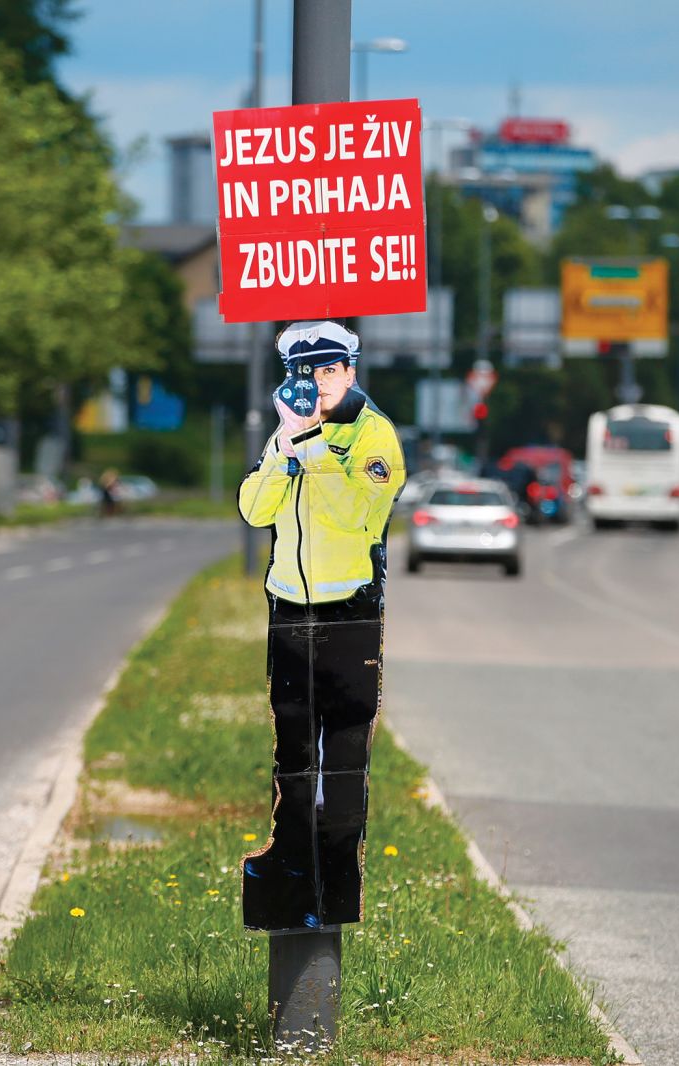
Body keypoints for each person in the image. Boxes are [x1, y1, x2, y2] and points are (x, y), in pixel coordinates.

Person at [237, 320, 406, 932]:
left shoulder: (372, 434)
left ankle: (337, 883)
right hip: (289, 609)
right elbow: (255, 509)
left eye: (331, 371)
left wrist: (309, 447)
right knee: (293, 753)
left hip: (349, 614)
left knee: (342, 759)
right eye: (307, 374)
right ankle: (290, 866)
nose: (320, 384)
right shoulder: (290, 435)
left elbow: (359, 515)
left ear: (351, 371)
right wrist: (284, 448)